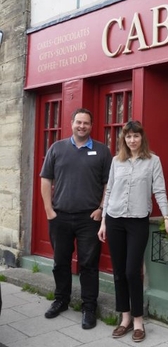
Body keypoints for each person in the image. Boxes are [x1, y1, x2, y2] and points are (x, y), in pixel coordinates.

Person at [98, 120, 168, 343]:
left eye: (136, 136)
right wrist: (103, 221)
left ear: (142, 138)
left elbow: (159, 190)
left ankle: (139, 320)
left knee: (133, 271)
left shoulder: (153, 161)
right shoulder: (116, 161)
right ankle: (125, 318)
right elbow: (109, 190)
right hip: (114, 220)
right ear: (124, 139)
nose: (132, 140)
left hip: (137, 221)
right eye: (128, 136)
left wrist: (167, 218)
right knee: (119, 271)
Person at [40, 108, 112, 329]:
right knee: (60, 261)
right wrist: (49, 211)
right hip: (60, 216)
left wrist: (101, 209)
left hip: (88, 218)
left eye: (86, 123)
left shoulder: (102, 151)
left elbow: (108, 184)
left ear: (91, 126)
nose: (82, 126)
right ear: (71, 123)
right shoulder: (57, 148)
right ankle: (61, 300)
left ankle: (89, 306)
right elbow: (45, 179)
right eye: (78, 122)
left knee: (88, 264)